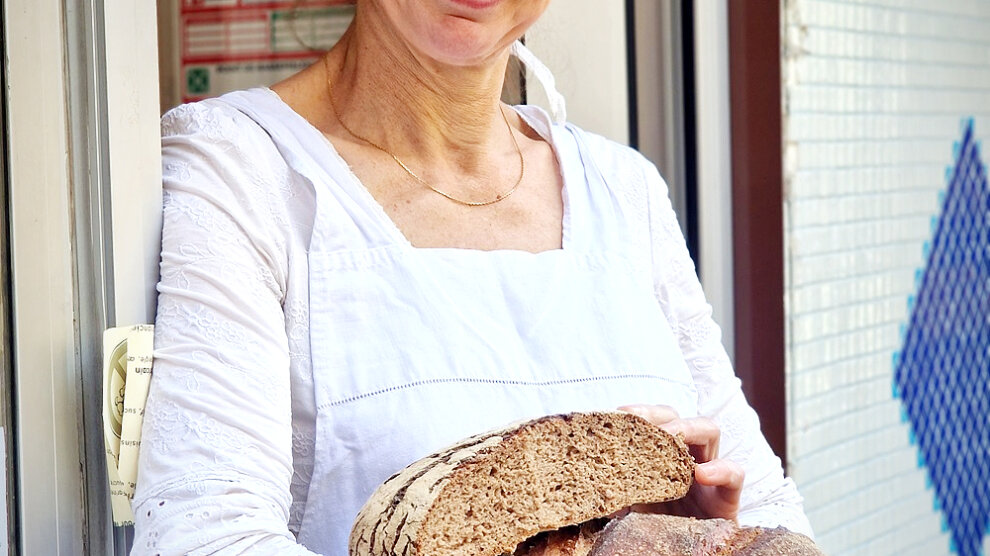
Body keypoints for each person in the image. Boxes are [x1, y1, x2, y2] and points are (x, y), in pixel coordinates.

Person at [133, 1, 813, 554]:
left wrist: (683, 533)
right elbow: (202, 533)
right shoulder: (242, 168)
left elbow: (770, 514)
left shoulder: (622, 188)